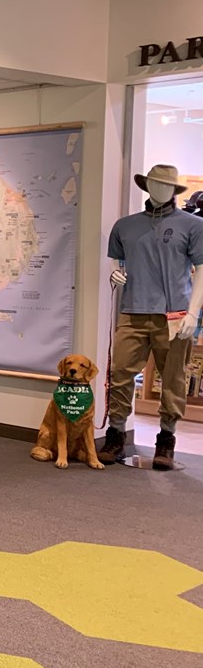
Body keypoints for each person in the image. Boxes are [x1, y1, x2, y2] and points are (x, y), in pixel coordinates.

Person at [98, 164, 203, 470]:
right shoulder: (125, 226)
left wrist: (194, 312)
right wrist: (115, 274)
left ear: (174, 190)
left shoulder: (192, 225)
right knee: (120, 375)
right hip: (132, 311)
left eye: (165, 184)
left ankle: (166, 441)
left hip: (175, 316)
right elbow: (115, 263)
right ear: (146, 186)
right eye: (154, 183)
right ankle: (116, 435)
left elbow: (201, 270)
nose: (159, 189)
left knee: (173, 379)